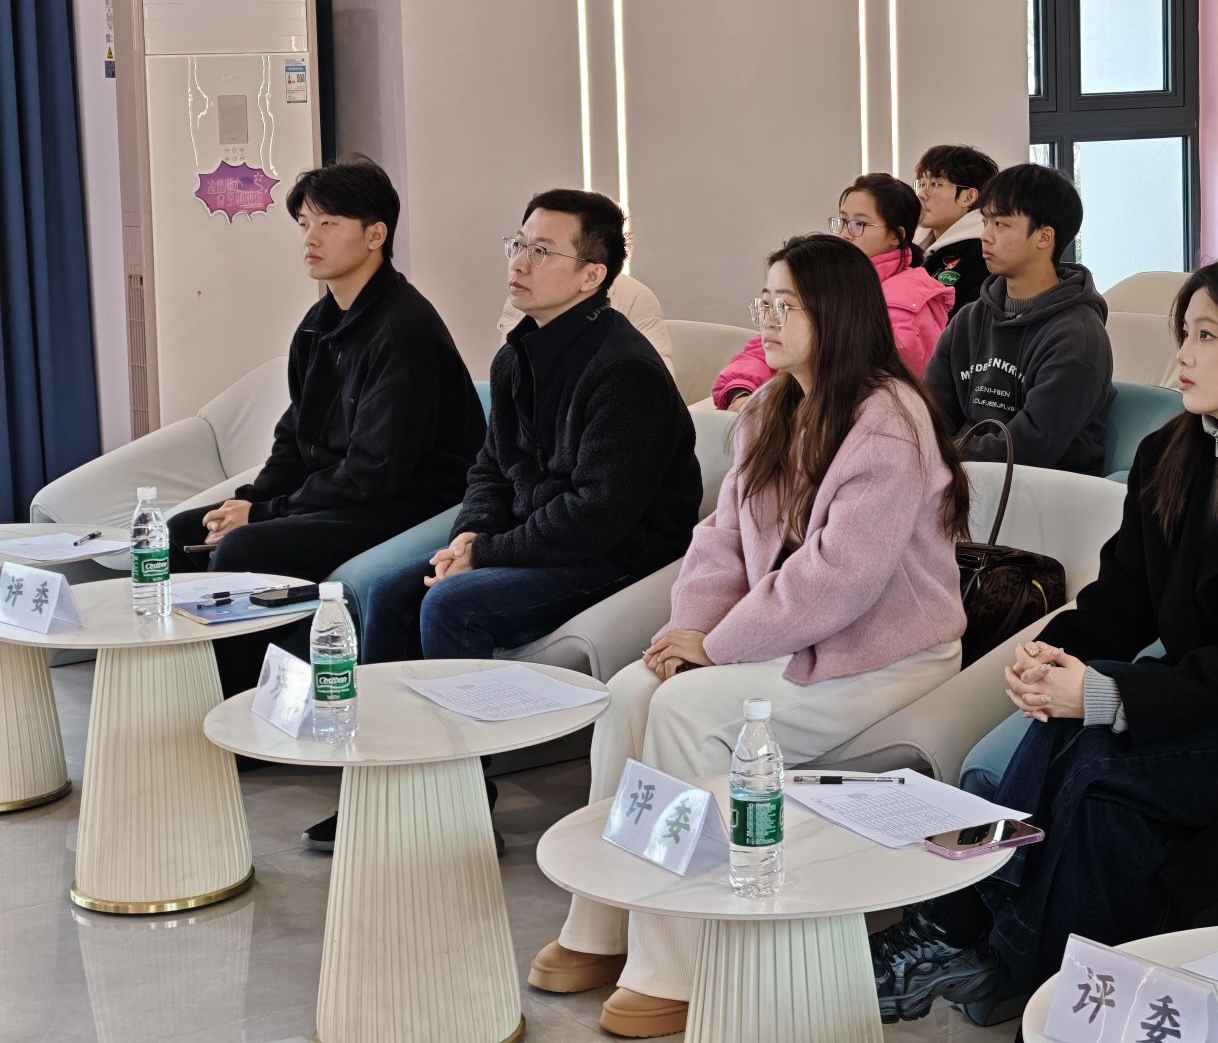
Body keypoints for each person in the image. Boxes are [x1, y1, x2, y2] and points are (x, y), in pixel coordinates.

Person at [870, 256, 1218, 1023]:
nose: (1183, 357)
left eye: (1207, 336)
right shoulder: (1173, 454)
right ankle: (973, 939)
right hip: (1215, 692)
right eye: (1184, 334)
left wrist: (1102, 694)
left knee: (1096, 764)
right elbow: (1122, 600)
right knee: (1070, 738)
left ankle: (995, 951)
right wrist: (1054, 656)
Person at [528, 234, 969, 1038]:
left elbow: (841, 578)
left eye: (785, 305)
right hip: (783, 638)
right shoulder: (770, 408)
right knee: (628, 693)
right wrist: (688, 630)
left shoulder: (890, 421)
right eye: (763, 301)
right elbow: (720, 541)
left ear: (835, 315)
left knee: (685, 712)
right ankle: (604, 923)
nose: (765, 318)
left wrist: (717, 648)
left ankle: (678, 963)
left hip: (882, 653)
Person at [306, 192, 703, 853]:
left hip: (619, 555)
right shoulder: (517, 355)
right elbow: (490, 468)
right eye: (518, 244)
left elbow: (597, 515)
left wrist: (485, 553)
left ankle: (462, 797)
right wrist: (470, 534)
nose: (519, 262)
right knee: (391, 593)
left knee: (452, 604)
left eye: (542, 251)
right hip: (537, 539)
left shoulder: (625, 372)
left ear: (592, 275)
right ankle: (384, 781)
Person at [169, 158, 483, 590]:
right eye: (304, 224)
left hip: (408, 501)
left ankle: (255, 640)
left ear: (375, 235)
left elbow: (375, 472)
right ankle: (187, 639)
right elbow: (295, 441)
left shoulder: (404, 332)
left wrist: (264, 515)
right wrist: (250, 502)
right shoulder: (317, 324)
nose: (310, 239)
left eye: (328, 224)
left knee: (244, 548)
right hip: (343, 495)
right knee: (180, 532)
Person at [924, 163, 1114, 472]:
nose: (985, 236)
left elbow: (1029, 448)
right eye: (985, 222)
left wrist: (939, 456)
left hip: (1041, 489)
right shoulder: (969, 320)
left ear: (1044, 237)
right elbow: (929, 417)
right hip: (962, 479)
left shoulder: (1078, 336)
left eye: (1000, 224)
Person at [713, 173, 952, 410]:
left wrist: (769, 402)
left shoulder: (908, 297)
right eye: (842, 220)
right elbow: (774, 340)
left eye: (858, 224)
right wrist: (740, 388)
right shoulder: (835, 279)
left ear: (895, 236)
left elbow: (868, 375)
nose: (845, 233)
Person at [498, 271, 674, 381]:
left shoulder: (635, 297)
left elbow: (659, 383)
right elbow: (510, 378)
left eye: (543, 251)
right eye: (520, 246)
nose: (519, 266)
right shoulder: (521, 300)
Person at [914, 144, 999, 319]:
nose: (922, 193)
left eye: (934, 184)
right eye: (921, 183)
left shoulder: (982, 254)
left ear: (968, 197)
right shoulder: (918, 247)